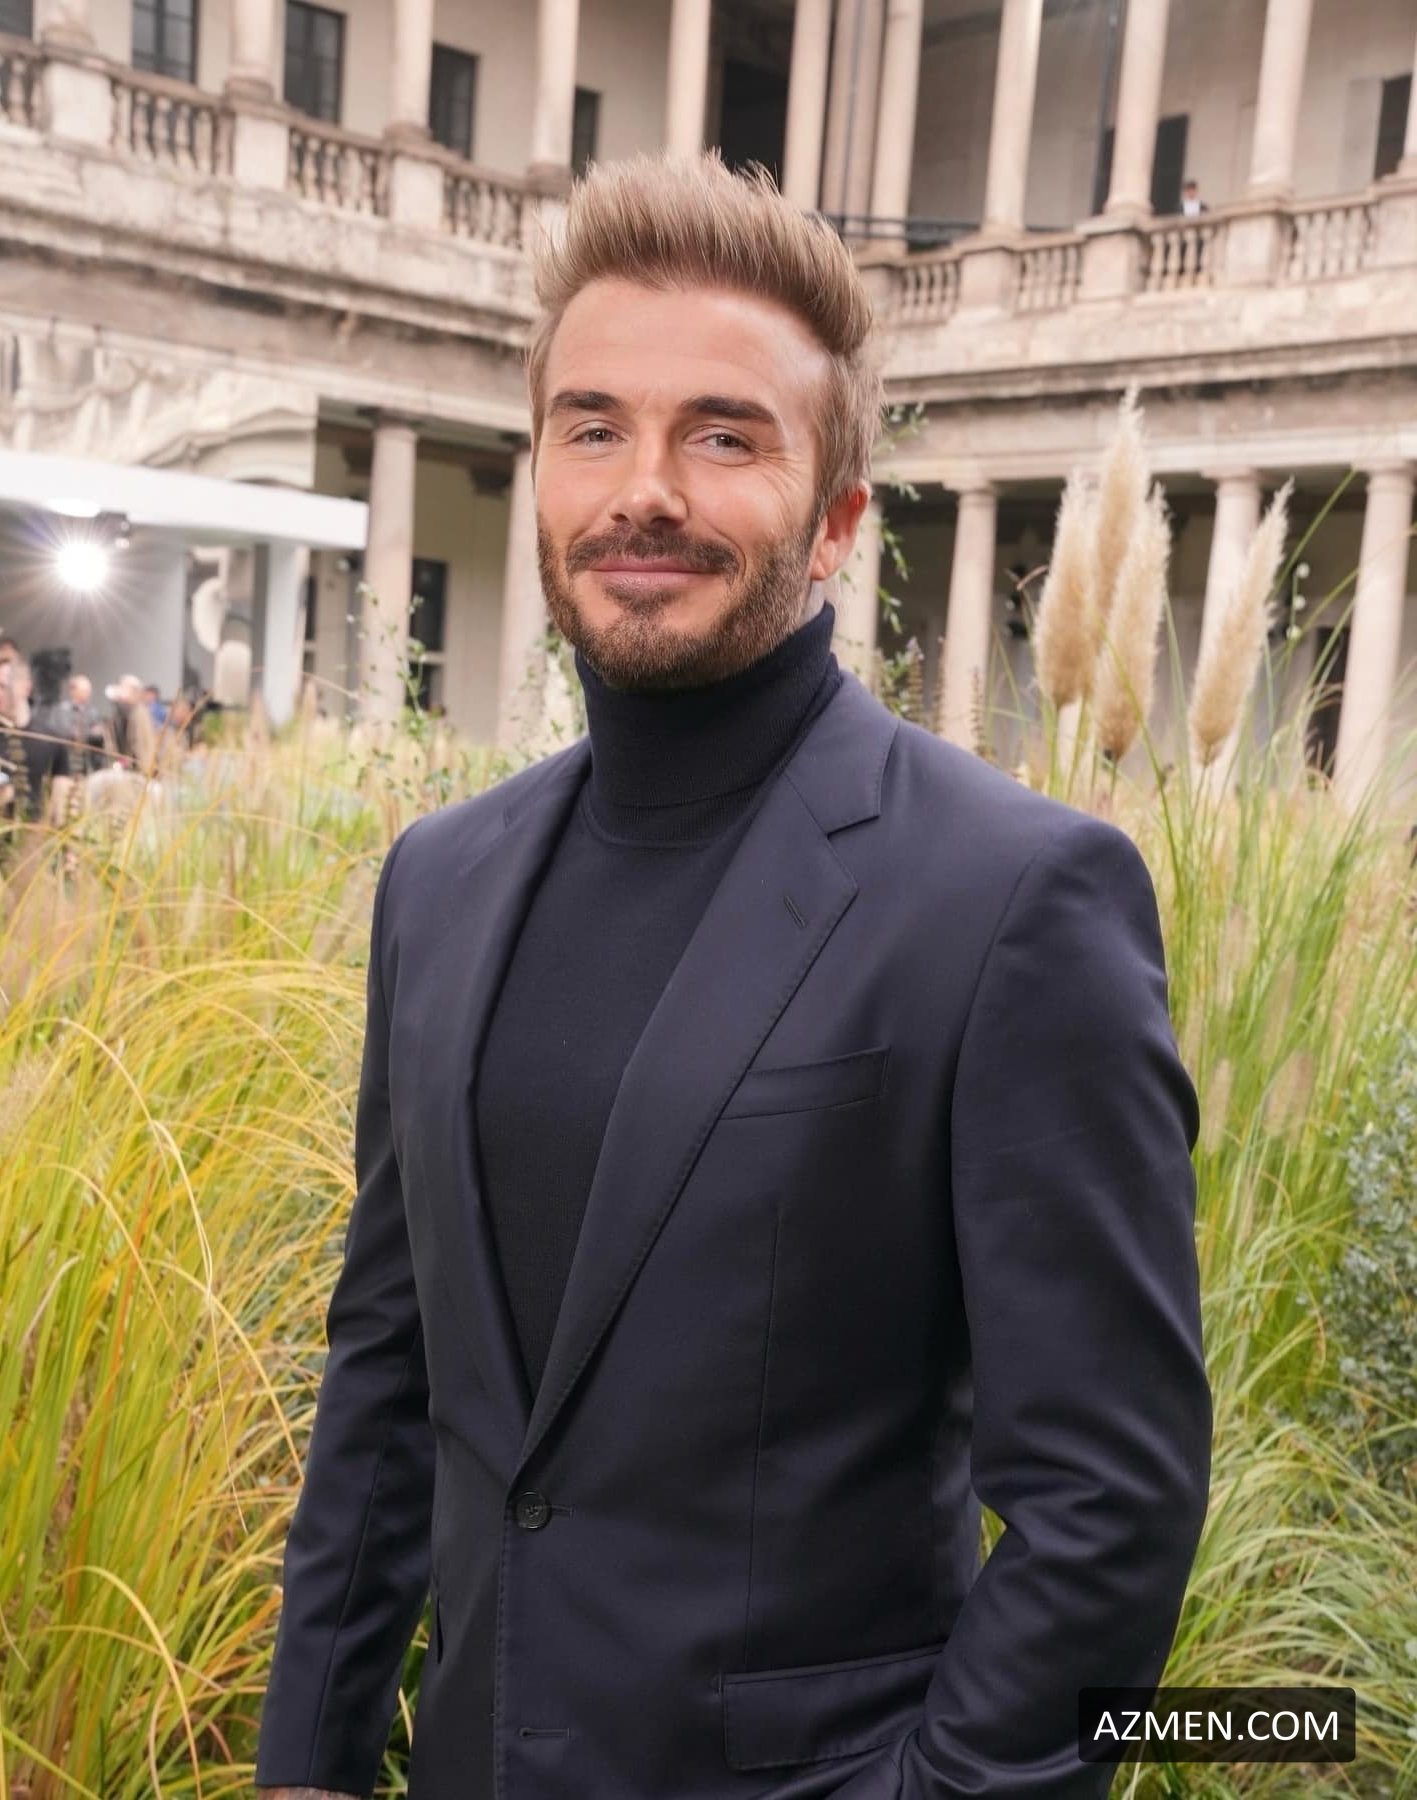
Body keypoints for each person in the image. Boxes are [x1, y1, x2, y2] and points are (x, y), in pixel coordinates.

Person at [255, 151, 1211, 1800]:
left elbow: (1110, 1503)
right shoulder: (440, 881)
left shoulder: (1013, 895)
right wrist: (309, 1763)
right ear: (541, 475)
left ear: (837, 520)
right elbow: (388, 1376)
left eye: (723, 436)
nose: (645, 489)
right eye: (593, 429)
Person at [0, 654, 71, 822]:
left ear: (26, 688)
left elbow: (62, 806)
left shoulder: (51, 740)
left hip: (35, 835)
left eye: (2, 686)